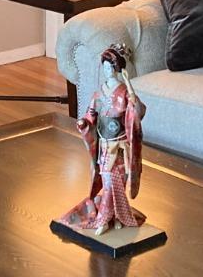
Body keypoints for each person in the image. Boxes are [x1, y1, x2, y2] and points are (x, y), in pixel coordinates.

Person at [59, 43, 146, 235]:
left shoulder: (124, 92)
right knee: (108, 183)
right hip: (105, 147)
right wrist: (84, 123)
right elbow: (91, 116)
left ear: (117, 69)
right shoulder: (99, 94)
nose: (107, 71)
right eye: (105, 67)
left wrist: (129, 85)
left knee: (117, 183)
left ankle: (110, 218)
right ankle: (109, 218)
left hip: (121, 147)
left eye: (110, 67)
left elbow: (138, 112)